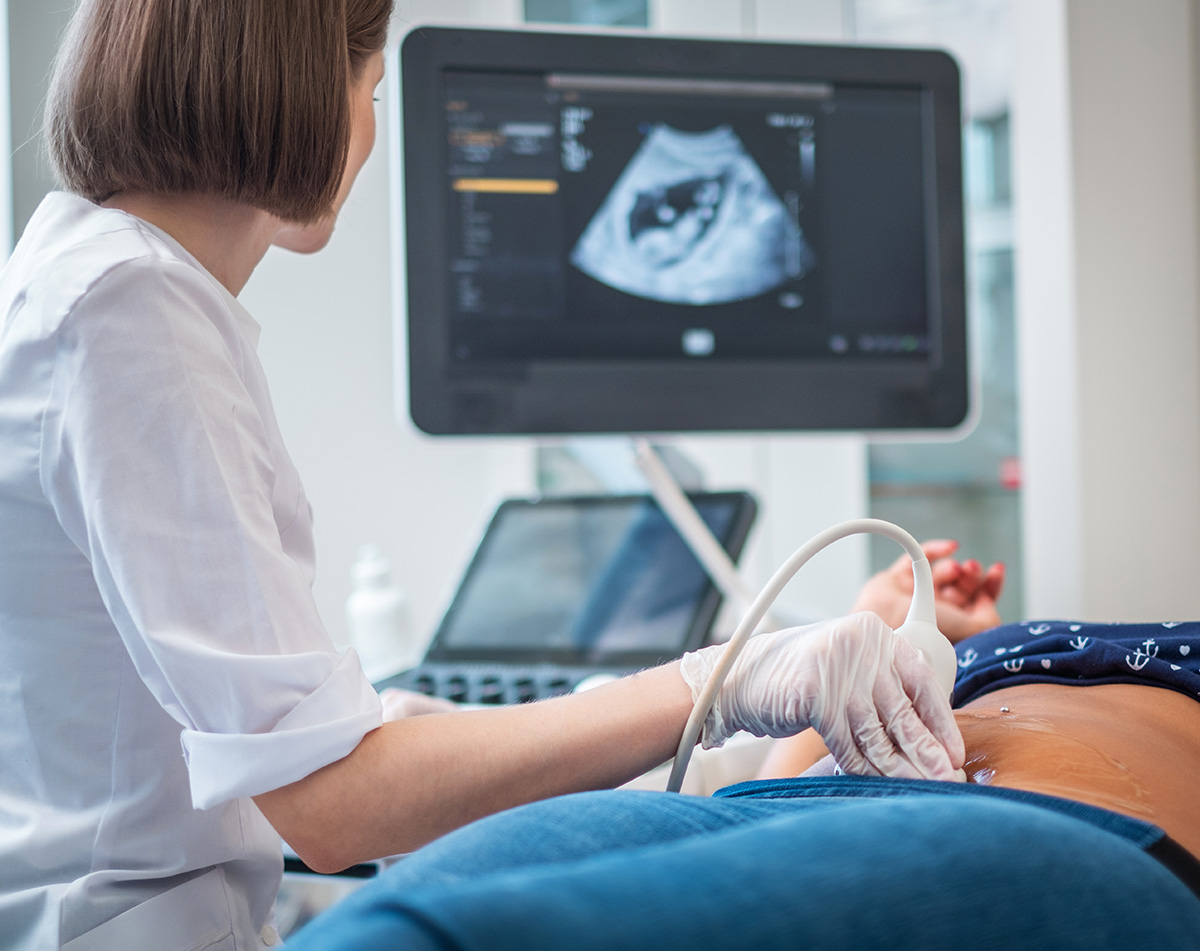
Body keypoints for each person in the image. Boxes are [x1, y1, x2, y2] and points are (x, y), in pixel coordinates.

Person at [0, 3, 965, 949]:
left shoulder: (98, 284)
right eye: (371, 87)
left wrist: (742, 682)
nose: (369, 129)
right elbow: (332, 803)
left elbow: (280, 745)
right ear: (302, 85)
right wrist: (725, 679)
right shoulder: (134, 313)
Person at [285, 545, 1200, 951]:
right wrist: (883, 629)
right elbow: (784, 769)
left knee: (453, 938)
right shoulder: (984, 644)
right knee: (441, 900)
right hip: (766, 806)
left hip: (1056, 829)